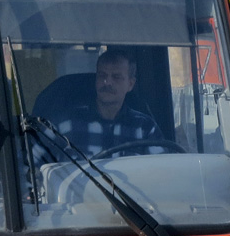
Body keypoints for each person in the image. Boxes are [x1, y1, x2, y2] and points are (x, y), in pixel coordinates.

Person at [34, 48, 164, 164]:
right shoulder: (63, 124)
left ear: (130, 84)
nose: (107, 82)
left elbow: (162, 174)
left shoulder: (145, 128)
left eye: (116, 77)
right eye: (102, 75)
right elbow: (29, 166)